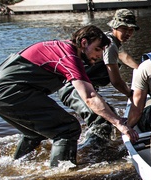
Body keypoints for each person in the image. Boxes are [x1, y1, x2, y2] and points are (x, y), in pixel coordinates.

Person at [0, 25, 138, 167]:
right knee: (67, 128)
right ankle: (61, 176)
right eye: (97, 49)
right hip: (8, 91)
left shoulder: (60, 48)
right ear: (84, 43)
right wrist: (118, 122)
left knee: (35, 133)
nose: (99, 56)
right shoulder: (69, 57)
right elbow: (90, 97)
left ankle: (14, 167)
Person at [58, 9, 140, 146]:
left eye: (131, 29)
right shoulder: (110, 45)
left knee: (111, 113)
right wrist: (132, 95)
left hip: (75, 87)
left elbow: (123, 56)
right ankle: (90, 155)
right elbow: (116, 81)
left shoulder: (109, 40)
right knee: (102, 120)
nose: (128, 33)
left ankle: (99, 147)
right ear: (114, 26)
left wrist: (141, 69)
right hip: (74, 89)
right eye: (124, 29)